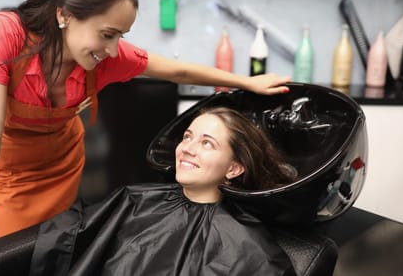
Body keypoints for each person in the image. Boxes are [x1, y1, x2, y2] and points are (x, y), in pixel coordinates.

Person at [0, 0, 291, 276]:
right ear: (66, 15)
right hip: (14, 171)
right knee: (17, 252)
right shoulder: (4, 34)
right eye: (107, 34)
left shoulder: (105, 57)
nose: (114, 48)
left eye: (121, 35)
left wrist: (246, 81)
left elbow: (179, 71)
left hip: (65, 163)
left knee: (59, 246)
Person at [28, 106, 298, 275]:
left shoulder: (244, 243)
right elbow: (71, 236)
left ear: (234, 169)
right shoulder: (135, 200)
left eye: (207, 143)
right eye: (188, 137)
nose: (187, 148)